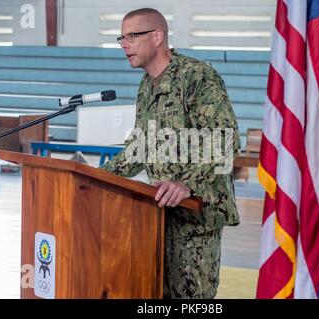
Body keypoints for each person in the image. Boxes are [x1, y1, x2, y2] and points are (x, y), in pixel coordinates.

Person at [101, 7, 240, 299]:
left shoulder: (197, 76)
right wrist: (96, 177)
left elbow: (225, 140)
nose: (125, 44)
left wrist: (186, 183)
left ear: (157, 36)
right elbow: (139, 147)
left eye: (132, 36)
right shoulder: (146, 86)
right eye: (121, 38)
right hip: (158, 215)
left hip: (195, 217)